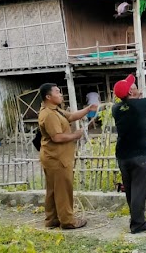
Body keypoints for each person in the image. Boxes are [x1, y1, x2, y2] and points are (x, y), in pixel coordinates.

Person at [37, 83, 97, 230]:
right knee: (63, 189)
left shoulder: (54, 110)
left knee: (53, 189)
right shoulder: (49, 114)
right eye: (57, 92)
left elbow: (70, 116)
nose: (61, 94)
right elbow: (57, 137)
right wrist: (75, 135)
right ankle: (68, 221)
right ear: (48, 97)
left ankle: (52, 220)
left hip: (52, 157)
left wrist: (88, 109)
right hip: (57, 158)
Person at [112, 73, 146, 234]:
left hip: (122, 155)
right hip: (139, 155)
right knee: (140, 190)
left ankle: (136, 220)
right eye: (133, 87)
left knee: (131, 190)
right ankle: (138, 224)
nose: (137, 87)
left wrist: (136, 96)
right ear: (131, 93)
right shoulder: (142, 104)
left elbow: (130, 105)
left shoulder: (116, 109)